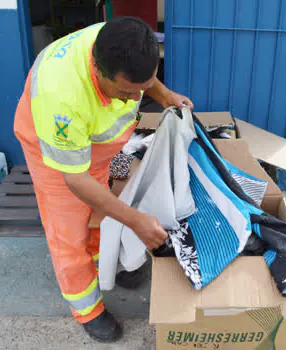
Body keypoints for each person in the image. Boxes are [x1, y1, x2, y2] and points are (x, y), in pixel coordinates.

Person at [13, 17, 193, 342]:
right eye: (127, 92)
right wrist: (137, 221)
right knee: (69, 231)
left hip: (95, 144)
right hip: (57, 154)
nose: (134, 99)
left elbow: (140, 81)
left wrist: (163, 93)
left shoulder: (123, 41)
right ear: (97, 69)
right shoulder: (61, 100)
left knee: (103, 207)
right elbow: (76, 181)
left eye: (143, 86)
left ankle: (106, 262)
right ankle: (87, 308)